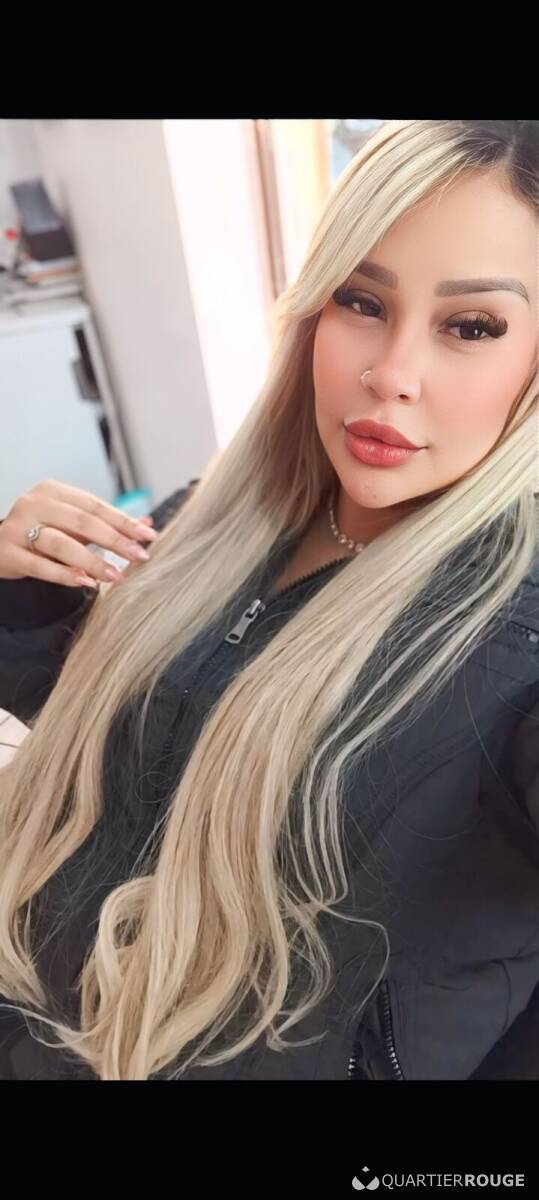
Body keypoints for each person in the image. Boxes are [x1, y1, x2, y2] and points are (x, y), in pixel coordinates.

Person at [0, 118, 538, 1082]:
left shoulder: (514, 643)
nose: (390, 374)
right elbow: (117, 730)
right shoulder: (213, 515)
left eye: (470, 327)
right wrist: (19, 596)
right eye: (361, 301)